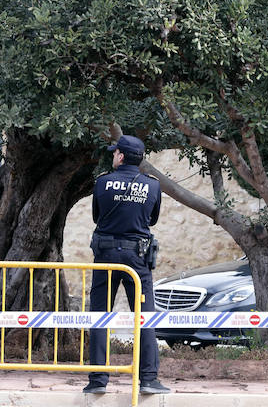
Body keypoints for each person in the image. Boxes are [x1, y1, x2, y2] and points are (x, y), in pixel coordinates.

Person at [84, 135, 170, 395]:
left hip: (106, 256)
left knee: (100, 315)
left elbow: (97, 215)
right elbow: (152, 220)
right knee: (144, 317)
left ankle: (98, 380)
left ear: (121, 157)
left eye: (115, 153)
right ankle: (148, 378)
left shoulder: (102, 182)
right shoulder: (153, 186)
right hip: (137, 259)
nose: (113, 156)